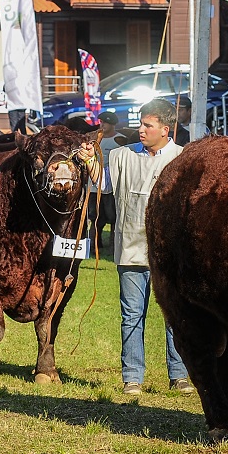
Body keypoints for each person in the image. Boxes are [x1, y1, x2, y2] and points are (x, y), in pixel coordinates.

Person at [109, 98, 191, 396]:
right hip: (131, 249)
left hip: (170, 255)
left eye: (148, 125)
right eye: (141, 124)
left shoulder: (183, 160)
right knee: (131, 315)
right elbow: (102, 185)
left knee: (174, 315)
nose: (141, 130)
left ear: (166, 129)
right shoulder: (121, 156)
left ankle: (179, 374)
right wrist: (89, 162)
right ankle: (132, 376)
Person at [87, 110, 124, 250]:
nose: (102, 124)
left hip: (111, 183)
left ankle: (113, 244)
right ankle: (94, 244)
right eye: (101, 121)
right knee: (94, 216)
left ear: (113, 124)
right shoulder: (95, 139)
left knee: (113, 215)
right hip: (94, 184)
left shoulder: (120, 140)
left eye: (105, 122)